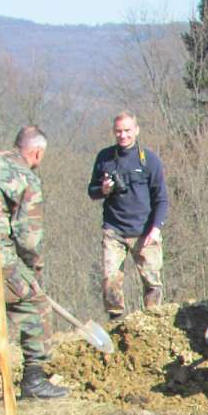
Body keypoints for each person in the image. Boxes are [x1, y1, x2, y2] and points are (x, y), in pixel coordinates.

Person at [0, 126, 67, 400]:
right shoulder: (26, 178)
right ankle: (34, 379)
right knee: (36, 305)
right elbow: (28, 238)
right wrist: (34, 271)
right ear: (37, 152)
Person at [87, 111, 169, 320]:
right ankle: (115, 321)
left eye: (127, 131)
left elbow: (161, 198)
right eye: (118, 131)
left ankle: (154, 321)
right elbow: (92, 191)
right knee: (110, 278)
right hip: (114, 229)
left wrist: (156, 227)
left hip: (144, 230)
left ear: (136, 131)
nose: (123, 135)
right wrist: (104, 189)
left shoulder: (150, 160)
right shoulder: (104, 158)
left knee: (152, 281)